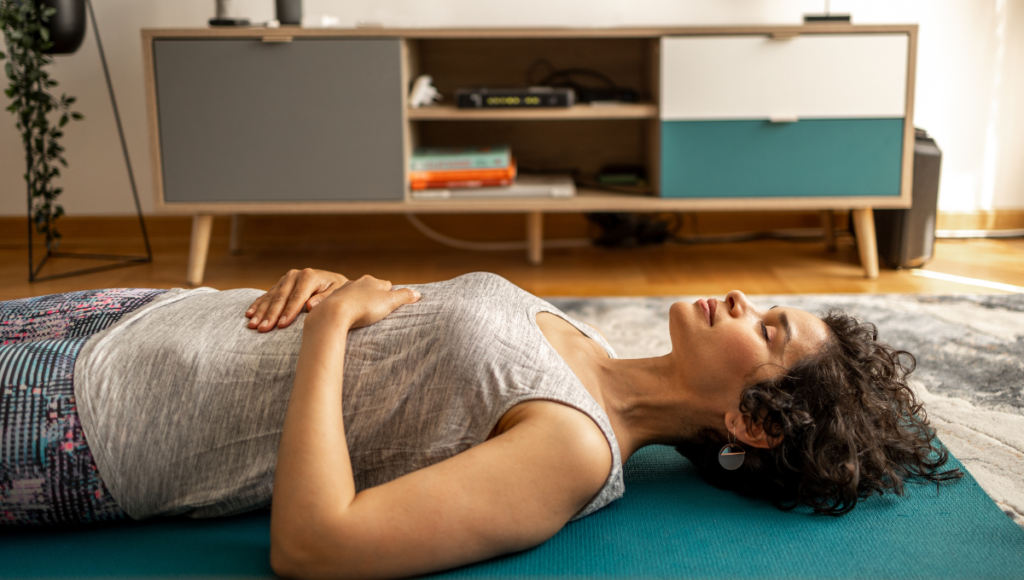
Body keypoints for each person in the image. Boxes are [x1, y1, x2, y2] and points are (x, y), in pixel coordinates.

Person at [0, 269, 960, 579]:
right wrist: (329, 287)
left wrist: (330, 327)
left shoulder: (573, 449)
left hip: (82, 416)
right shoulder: (582, 338)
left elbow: (314, 543)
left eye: (770, 328)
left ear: (752, 422)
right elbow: (402, 343)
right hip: (140, 318)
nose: (745, 299)